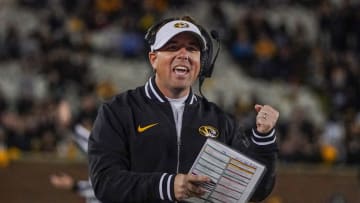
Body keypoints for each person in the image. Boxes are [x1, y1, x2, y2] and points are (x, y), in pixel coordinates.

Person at [88, 15, 279, 203]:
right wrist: (167, 186)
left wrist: (264, 137)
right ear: (153, 59)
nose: (183, 55)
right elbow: (104, 182)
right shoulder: (118, 111)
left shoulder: (220, 120)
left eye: (192, 48)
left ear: (201, 63)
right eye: (172, 47)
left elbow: (256, 191)